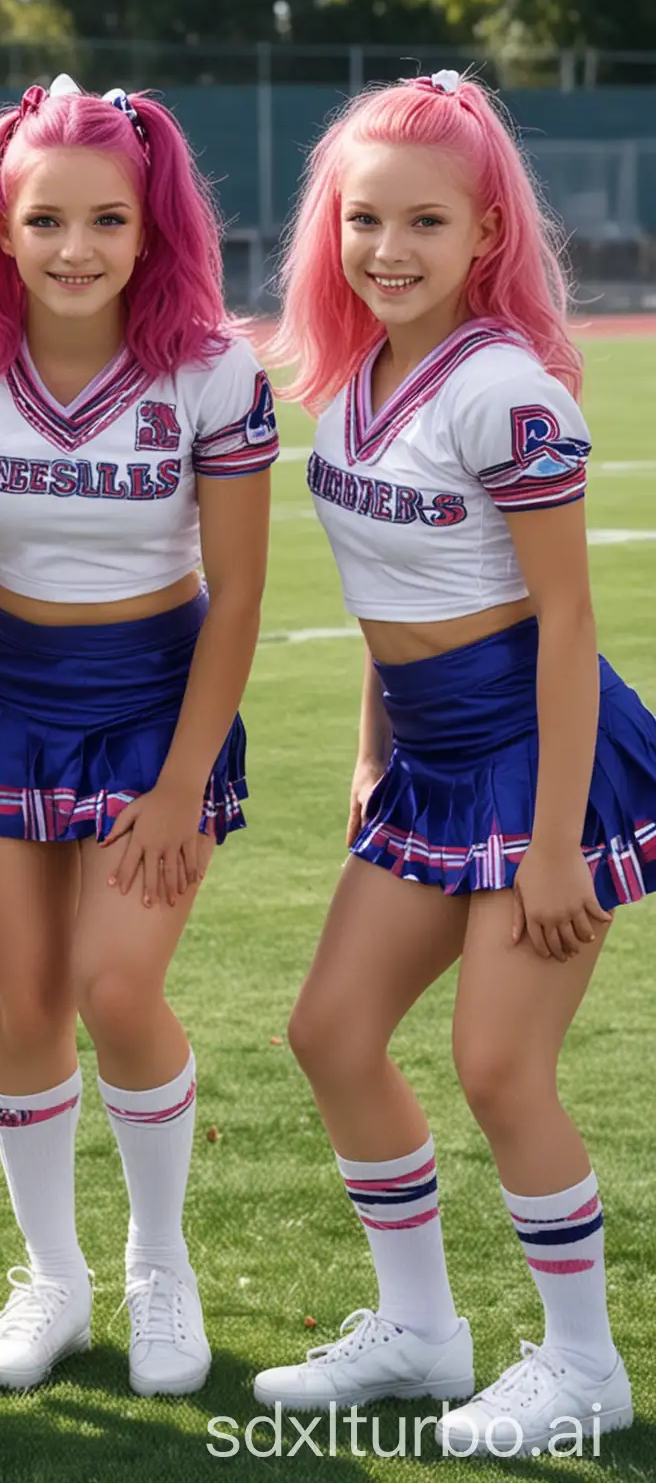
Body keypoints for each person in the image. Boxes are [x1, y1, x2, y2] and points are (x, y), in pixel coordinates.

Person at [251, 70, 642, 1457]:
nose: (390, 249)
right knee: (333, 1036)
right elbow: (382, 597)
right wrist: (370, 751)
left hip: (540, 757)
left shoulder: (506, 391)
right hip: (424, 753)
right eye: (367, 219)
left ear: (486, 237)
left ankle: (586, 1368)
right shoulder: (357, 377)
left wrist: (552, 846)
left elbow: (568, 625)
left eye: (427, 221)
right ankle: (420, 1334)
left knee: (498, 1067)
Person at [0, 74, 276, 1395]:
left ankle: (160, 1266)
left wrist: (178, 787)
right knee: (26, 1001)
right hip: (1, 696)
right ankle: (53, 1277)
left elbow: (239, 601)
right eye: (45, 220)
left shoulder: (215, 370)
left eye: (107, 220)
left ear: (150, 229)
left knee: (117, 985)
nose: (75, 248)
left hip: (155, 700)